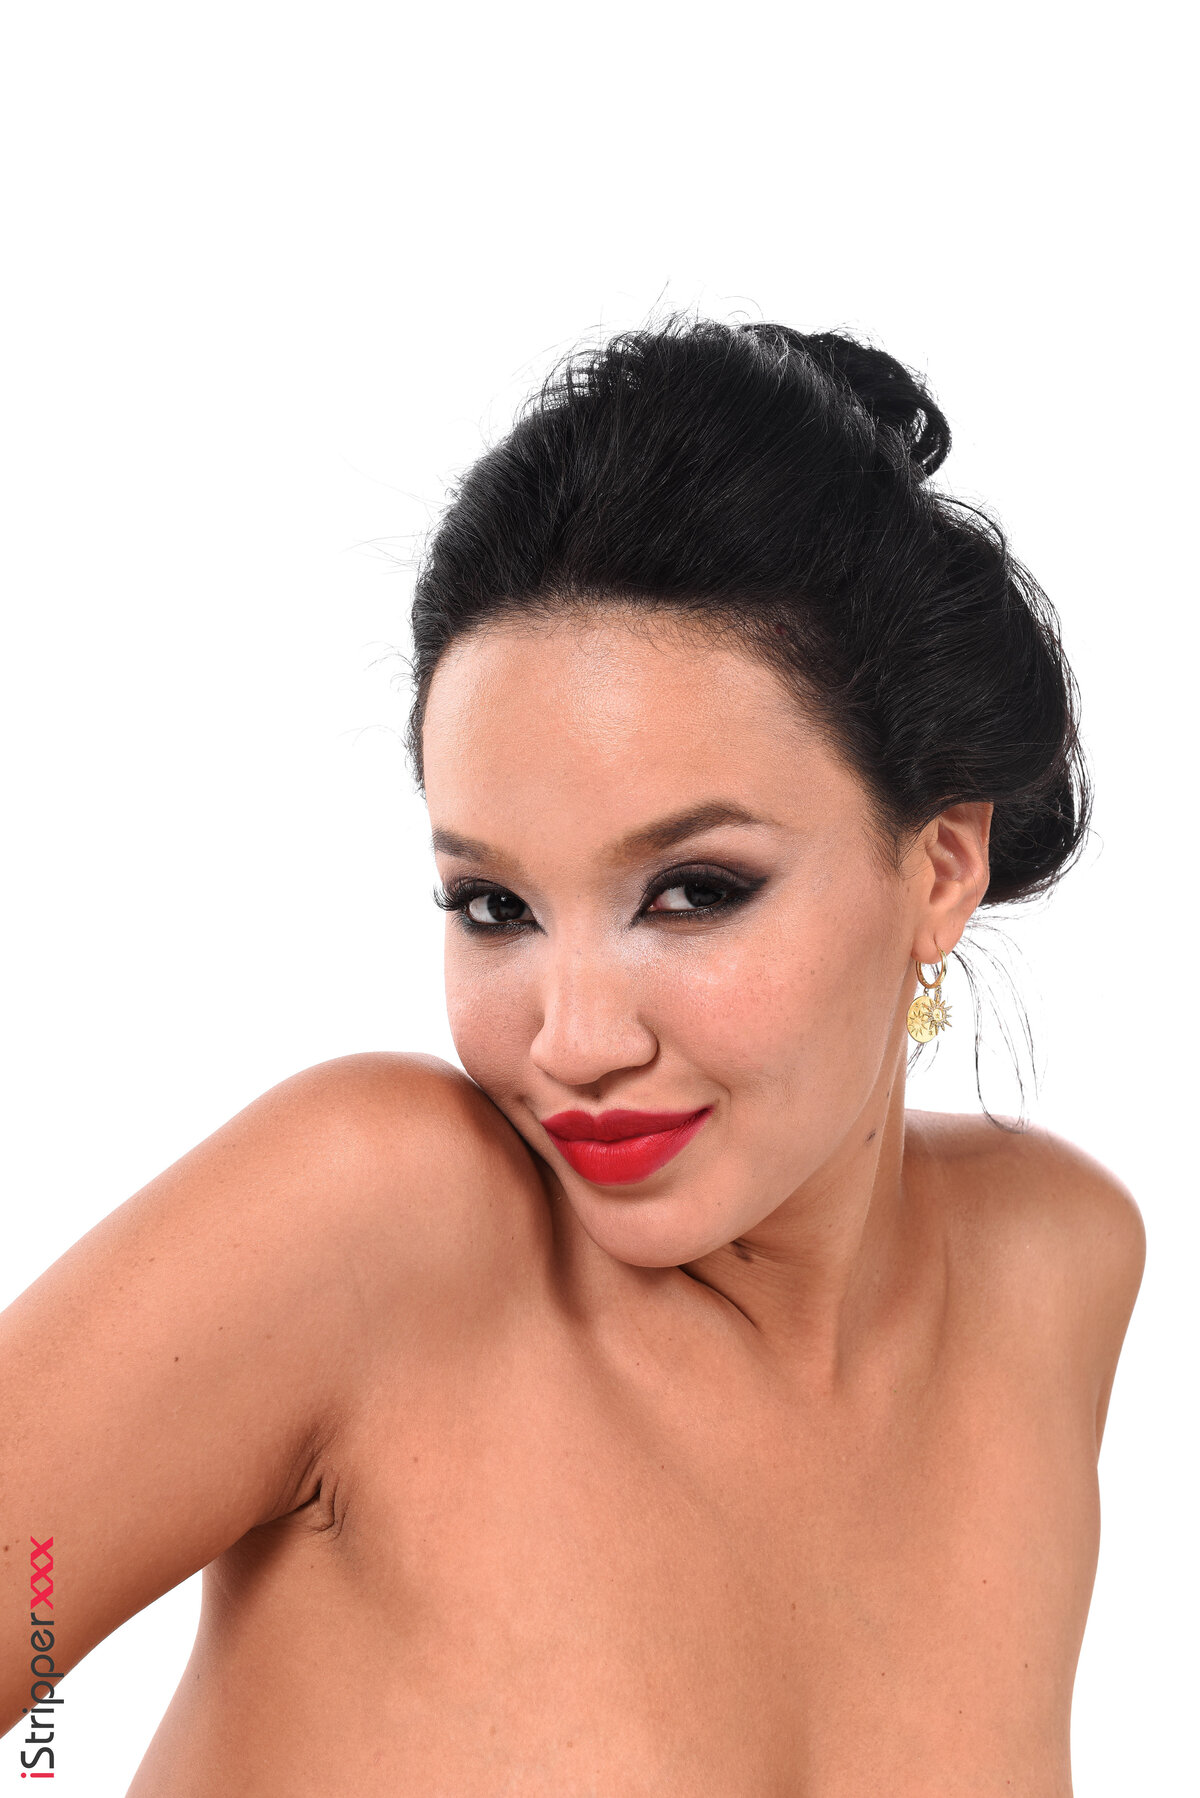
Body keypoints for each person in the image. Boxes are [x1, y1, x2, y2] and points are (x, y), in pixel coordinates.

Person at [1, 316, 1145, 1795]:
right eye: (496, 907)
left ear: (939, 868)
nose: (573, 1041)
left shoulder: (1055, 1272)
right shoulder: (372, 1225)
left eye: (693, 891)